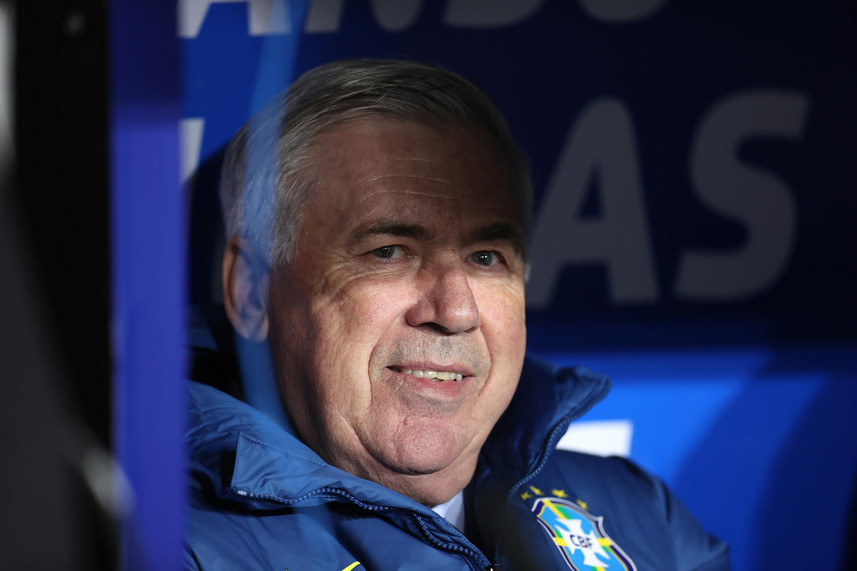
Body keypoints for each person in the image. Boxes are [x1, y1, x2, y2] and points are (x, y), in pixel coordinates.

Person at [185, 58, 730, 570]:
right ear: (252, 294)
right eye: (389, 251)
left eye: (486, 257)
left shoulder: (640, 513)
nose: (456, 310)